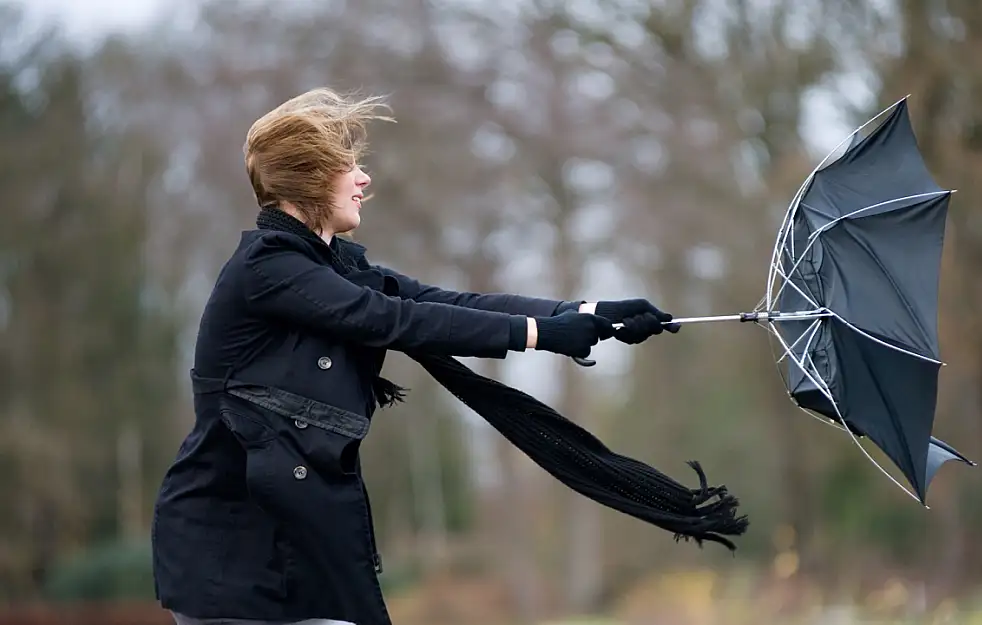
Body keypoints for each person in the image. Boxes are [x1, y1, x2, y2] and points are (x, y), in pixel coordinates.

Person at [150, 88, 681, 625]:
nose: (364, 180)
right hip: (230, 562)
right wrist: (541, 335)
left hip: (298, 554)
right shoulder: (266, 269)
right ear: (310, 177)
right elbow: (390, 319)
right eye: (347, 167)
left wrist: (587, 311)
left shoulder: (333, 266)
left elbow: (442, 303)